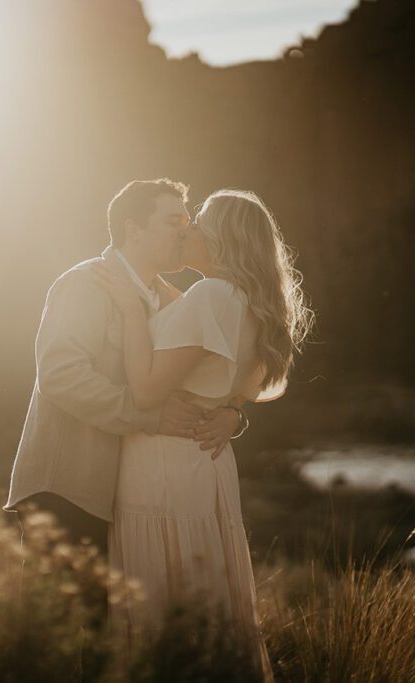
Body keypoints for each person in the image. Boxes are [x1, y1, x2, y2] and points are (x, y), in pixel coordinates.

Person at [92, 189, 312, 681]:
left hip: (167, 464)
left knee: (165, 608)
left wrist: (130, 309)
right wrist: (233, 412)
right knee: (208, 604)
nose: (187, 229)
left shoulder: (211, 297)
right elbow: (240, 389)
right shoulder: (240, 298)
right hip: (208, 464)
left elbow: (147, 390)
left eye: (198, 222)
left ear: (221, 238)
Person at [3, 179, 248, 558]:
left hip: (131, 498)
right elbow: (60, 376)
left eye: (186, 221)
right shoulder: (85, 283)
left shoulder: (174, 300)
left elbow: (196, 377)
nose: (185, 229)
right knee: (67, 616)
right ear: (133, 228)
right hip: (68, 489)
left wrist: (233, 413)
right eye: (172, 221)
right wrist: (146, 414)